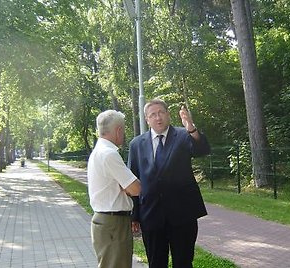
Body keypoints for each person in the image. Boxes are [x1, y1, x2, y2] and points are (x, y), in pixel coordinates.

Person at [128, 99, 211, 268]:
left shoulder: (182, 135)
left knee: (183, 262)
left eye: (161, 113)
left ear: (168, 115)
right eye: (153, 115)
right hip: (151, 215)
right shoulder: (136, 144)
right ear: (147, 119)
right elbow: (133, 180)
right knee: (156, 263)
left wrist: (191, 128)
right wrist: (134, 215)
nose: (158, 118)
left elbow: (202, 149)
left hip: (182, 214)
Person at [87, 110, 141, 268]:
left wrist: (124, 185)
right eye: (123, 130)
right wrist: (128, 185)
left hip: (106, 222)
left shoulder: (98, 152)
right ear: (119, 130)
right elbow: (136, 188)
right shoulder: (109, 154)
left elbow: (128, 187)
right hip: (114, 224)